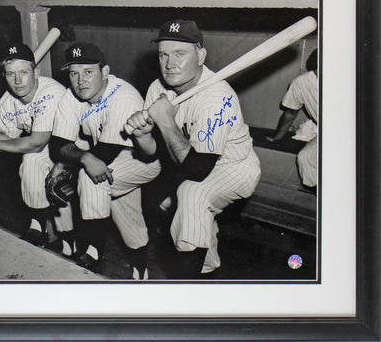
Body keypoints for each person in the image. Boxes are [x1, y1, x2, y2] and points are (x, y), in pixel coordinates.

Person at [126, 19, 261, 278]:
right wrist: (142, 136)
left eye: (180, 54)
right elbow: (152, 152)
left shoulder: (217, 96)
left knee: (192, 194)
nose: (169, 63)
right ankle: (207, 275)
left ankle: (186, 292)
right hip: (190, 161)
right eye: (164, 54)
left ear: (200, 56)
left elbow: (199, 170)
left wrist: (165, 120)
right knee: (189, 212)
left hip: (235, 167)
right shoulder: (158, 88)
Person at [49, 42, 161, 280]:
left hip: (142, 161)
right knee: (128, 215)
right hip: (105, 156)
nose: (80, 81)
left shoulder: (123, 97)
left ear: (105, 72)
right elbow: (58, 145)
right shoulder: (72, 96)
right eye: (74, 73)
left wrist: (77, 162)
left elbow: (103, 156)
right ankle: (141, 272)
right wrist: (82, 157)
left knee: (93, 181)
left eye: (88, 72)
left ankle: (94, 252)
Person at [0, 43, 75, 256]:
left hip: (74, 147)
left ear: (35, 71)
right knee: (32, 163)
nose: (17, 81)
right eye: (10, 74)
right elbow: (10, 141)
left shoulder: (51, 93)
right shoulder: (10, 100)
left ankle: (62, 238)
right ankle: (42, 227)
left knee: (36, 163)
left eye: (23, 72)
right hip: (46, 149)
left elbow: (36, 142)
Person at [267, 49, 318, 188]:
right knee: (305, 158)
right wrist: (277, 137)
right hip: (329, 133)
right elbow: (290, 113)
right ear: (315, 67)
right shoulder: (301, 83)